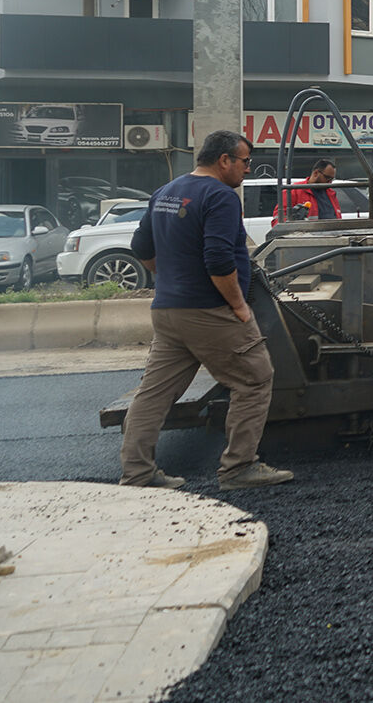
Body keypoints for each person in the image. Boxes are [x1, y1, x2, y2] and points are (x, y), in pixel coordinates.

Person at [118, 130, 293, 491]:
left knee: (153, 394)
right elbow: (218, 259)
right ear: (224, 160)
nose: (247, 169)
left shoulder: (166, 191)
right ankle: (238, 468)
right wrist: (238, 305)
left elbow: (141, 246)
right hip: (209, 312)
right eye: (245, 162)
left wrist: (168, 277)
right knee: (255, 378)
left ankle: (137, 474)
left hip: (168, 310)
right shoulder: (220, 196)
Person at [276, 158, 341, 223]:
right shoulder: (293, 191)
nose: (330, 182)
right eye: (327, 178)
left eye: (332, 179)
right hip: (306, 232)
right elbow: (278, 221)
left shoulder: (331, 193)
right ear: (315, 173)